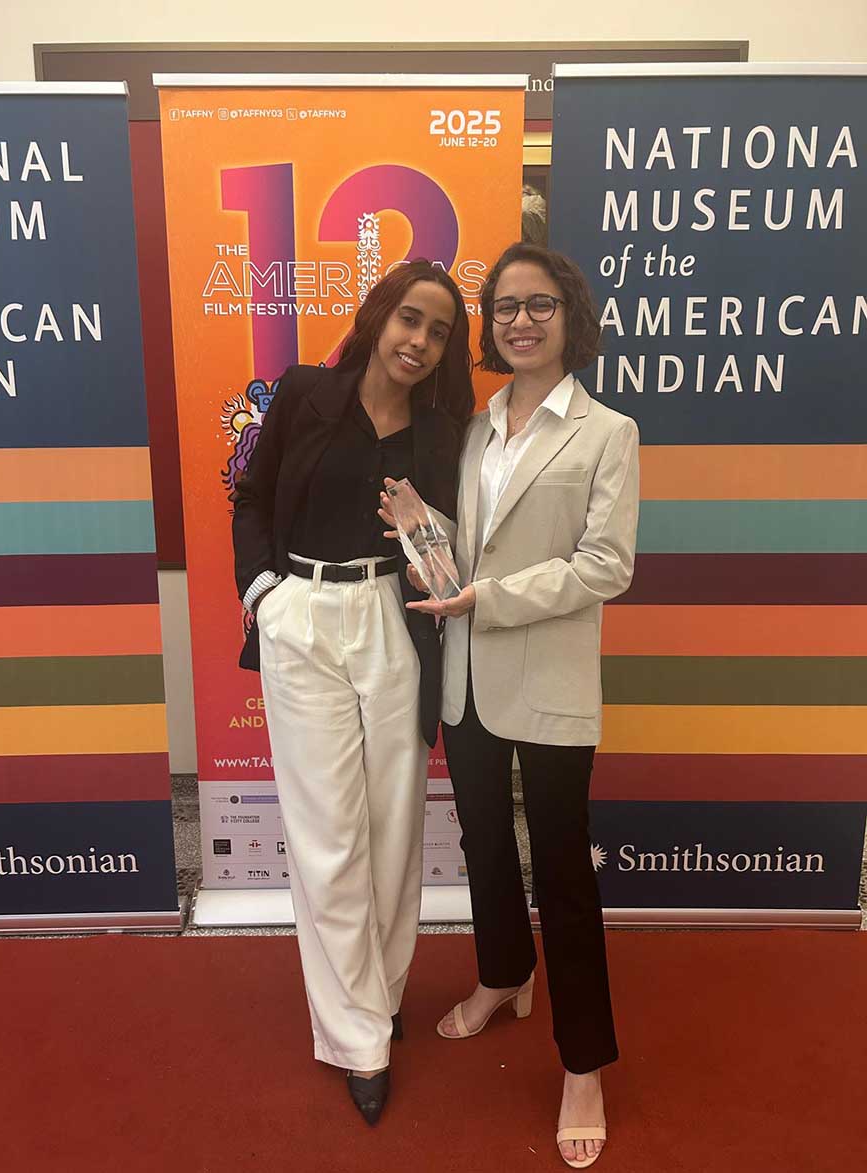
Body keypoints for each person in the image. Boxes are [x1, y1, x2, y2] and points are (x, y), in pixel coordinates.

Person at [384, 243, 639, 1167]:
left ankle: (583, 1062)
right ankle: (503, 973)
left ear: (570, 316)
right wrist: (423, 523)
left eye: (538, 305)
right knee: (484, 843)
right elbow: (473, 546)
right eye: (504, 309)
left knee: (564, 871)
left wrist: (486, 599)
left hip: (550, 678)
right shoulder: (472, 426)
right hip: (466, 677)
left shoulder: (607, 431)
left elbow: (605, 566)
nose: (519, 321)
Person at [233, 260, 474, 1125]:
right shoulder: (302, 393)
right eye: (410, 318)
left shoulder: (445, 431)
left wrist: (428, 523)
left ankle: (379, 987)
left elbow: (454, 547)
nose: (419, 340)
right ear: (378, 318)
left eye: (439, 330)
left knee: (393, 824)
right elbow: (250, 497)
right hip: (303, 617)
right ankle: (356, 1036)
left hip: (393, 618)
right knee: (328, 836)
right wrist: (266, 592)